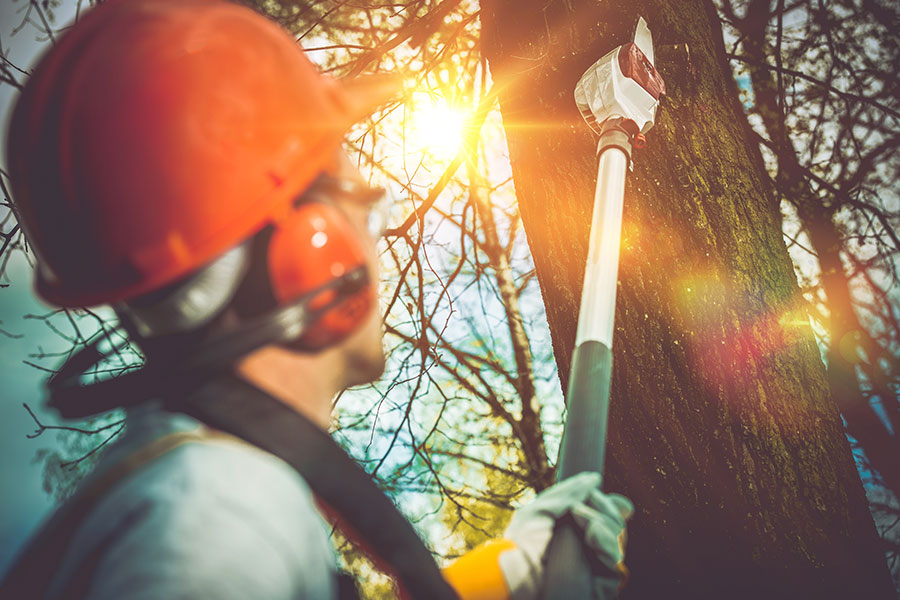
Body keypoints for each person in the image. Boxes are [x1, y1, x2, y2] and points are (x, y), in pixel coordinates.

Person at [0, 0, 634, 598]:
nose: (376, 236)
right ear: (314, 251)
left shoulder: (186, 493)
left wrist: (510, 570)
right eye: (365, 202)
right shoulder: (221, 522)